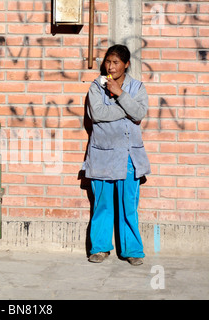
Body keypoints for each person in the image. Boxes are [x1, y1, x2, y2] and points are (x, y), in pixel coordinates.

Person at [83, 44, 151, 266]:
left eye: (116, 63)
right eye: (107, 62)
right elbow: (98, 114)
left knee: (128, 205)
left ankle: (132, 250)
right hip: (103, 155)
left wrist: (120, 94)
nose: (110, 67)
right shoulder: (96, 86)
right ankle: (100, 248)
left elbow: (140, 113)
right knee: (102, 204)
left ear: (126, 65)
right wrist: (128, 109)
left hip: (129, 156)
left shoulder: (137, 87)